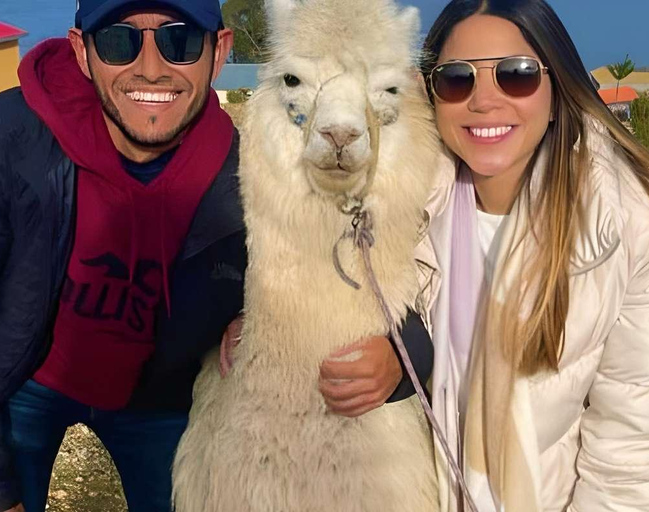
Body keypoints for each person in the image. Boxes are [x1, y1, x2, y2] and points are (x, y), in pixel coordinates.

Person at [0, 1, 433, 511]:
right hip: (26, 381)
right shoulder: (15, 143)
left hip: (154, 393)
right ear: (81, 49)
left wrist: (406, 354)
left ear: (219, 50)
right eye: (119, 40)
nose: (151, 67)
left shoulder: (241, 168)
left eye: (178, 42)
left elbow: (323, 260)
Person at [419, 1, 649, 511]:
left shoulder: (639, 221)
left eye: (517, 75)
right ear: (432, 96)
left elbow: (632, 459)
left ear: (557, 91)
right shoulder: (399, 210)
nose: (485, 100)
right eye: (457, 79)